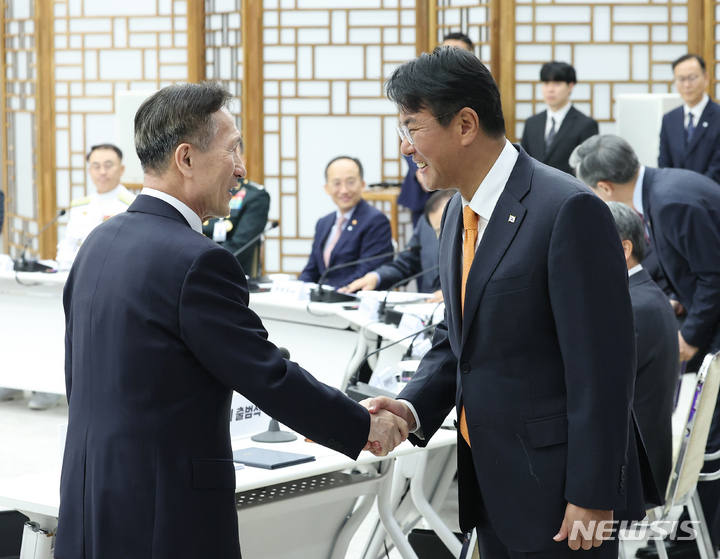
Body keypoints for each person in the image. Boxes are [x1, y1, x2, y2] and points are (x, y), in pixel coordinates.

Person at [54, 82, 408, 559]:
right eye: (233, 148)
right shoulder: (198, 260)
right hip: (165, 512)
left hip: (87, 497)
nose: (241, 167)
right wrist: (359, 424)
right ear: (186, 158)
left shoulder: (97, 244)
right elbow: (266, 374)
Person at [363, 47, 654, 558]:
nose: (405, 147)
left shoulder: (568, 209)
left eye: (411, 127)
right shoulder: (457, 212)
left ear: (466, 123)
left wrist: (591, 493)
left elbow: (603, 370)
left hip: (562, 499)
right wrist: (409, 409)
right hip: (492, 485)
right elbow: (461, 341)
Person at [570, 134, 720, 558]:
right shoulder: (659, 191)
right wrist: (671, 301)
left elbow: (712, 275)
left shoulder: (671, 201)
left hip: (644, 466)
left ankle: (688, 543)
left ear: (602, 188)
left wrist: (689, 336)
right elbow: (669, 264)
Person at [606, 201, 679, 495]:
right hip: (644, 456)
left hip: (631, 469)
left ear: (624, 249)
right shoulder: (646, 295)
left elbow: (598, 389)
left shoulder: (630, 308)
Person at [398, 32, 474, 227]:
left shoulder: (478, 99)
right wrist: (419, 167)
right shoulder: (420, 92)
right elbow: (408, 137)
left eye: (457, 54)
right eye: (445, 52)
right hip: (424, 184)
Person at [341, 189, 454, 301]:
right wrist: (375, 277)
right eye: (438, 230)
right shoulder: (425, 224)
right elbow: (405, 264)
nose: (440, 236)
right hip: (429, 310)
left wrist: (458, 296)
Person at [298, 156, 393, 288]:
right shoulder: (323, 223)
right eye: (337, 183)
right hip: (322, 300)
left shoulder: (376, 220)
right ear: (327, 188)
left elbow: (365, 272)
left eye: (350, 182)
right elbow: (311, 270)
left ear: (362, 185)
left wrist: (327, 292)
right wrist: (297, 289)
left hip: (352, 299)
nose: (344, 190)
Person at [56, 144, 135, 271]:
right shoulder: (79, 206)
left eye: (108, 166)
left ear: (121, 169)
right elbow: (68, 244)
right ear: (90, 171)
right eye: (96, 166)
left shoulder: (132, 205)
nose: (102, 172)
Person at [202, 145, 270, 275]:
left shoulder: (254, 196)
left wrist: (202, 263)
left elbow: (240, 245)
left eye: (232, 153)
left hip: (228, 273)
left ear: (242, 160)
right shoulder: (200, 190)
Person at [521, 61, 598, 175]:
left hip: (571, 190)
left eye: (557, 83)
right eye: (546, 83)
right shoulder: (531, 123)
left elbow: (589, 169)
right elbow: (524, 162)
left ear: (570, 86)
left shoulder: (586, 125)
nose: (550, 89)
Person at [658, 54, 720, 184]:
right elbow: (664, 164)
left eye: (692, 78)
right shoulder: (669, 119)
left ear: (706, 77)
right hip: (675, 196)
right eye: (680, 79)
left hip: (712, 196)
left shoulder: (717, 115)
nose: (687, 85)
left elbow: (717, 167)